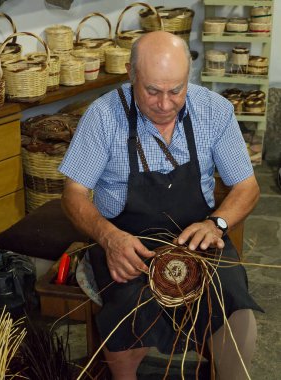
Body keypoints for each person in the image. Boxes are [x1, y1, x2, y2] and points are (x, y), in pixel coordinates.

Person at [59, 31, 262, 380]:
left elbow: (247, 186)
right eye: (152, 91)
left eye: (176, 90)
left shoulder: (214, 111)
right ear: (130, 73)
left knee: (232, 304)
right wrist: (108, 238)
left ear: (188, 78)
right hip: (128, 247)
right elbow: (73, 194)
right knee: (128, 314)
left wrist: (218, 224)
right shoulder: (103, 117)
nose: (165, 104)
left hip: (198, 241)